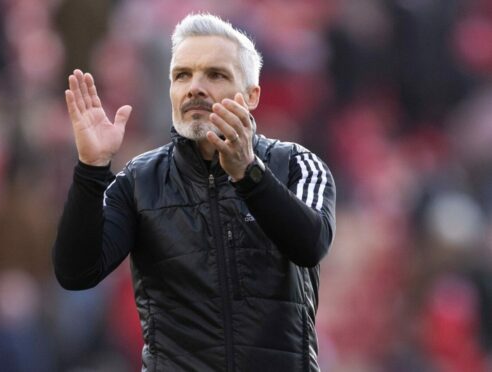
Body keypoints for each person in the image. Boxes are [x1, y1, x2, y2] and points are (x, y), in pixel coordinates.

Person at [53, 13, 336, 372]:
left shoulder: (296, 164)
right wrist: (92, 170)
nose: (195, 87)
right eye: (182, 75)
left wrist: (249, 176)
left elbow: (311, 243)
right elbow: (76, 273)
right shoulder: (140, 181)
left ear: (251, 96)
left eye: (215, 75)